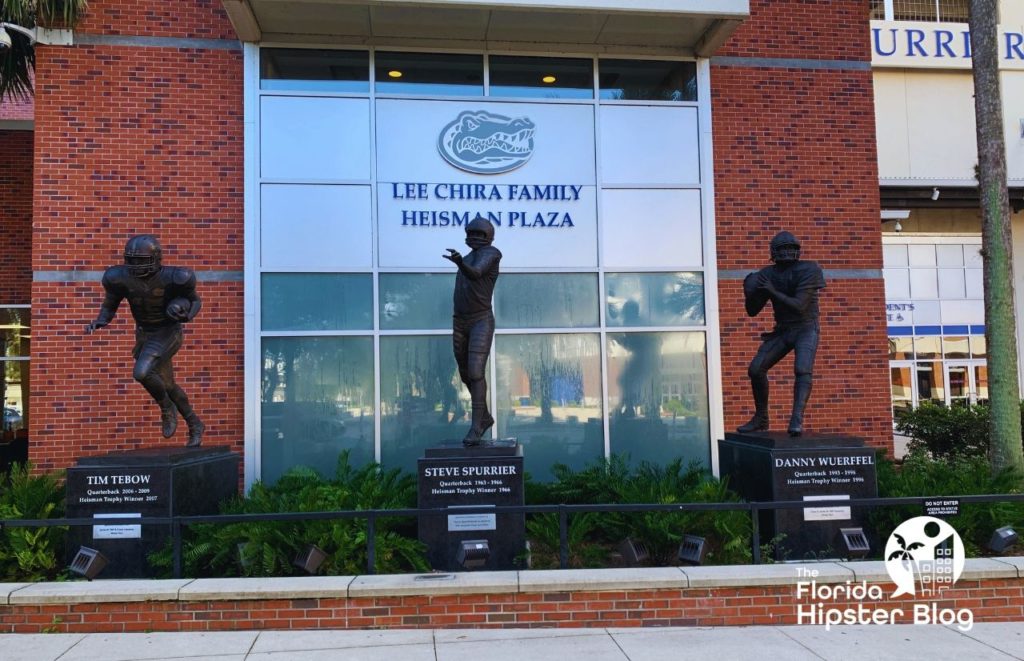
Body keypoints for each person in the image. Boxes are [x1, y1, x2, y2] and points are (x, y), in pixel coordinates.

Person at [85, 235, 205, 447]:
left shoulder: (177, 277)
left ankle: (166, 407)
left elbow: (195, 301)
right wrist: (101, 320)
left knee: (141, 372)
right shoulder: (117, 277)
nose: (136, 265)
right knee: (168, 384)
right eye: (132, 260)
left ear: (156, 258)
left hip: (167, 331)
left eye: (141, 260)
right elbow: (110, 304)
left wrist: (185, 313)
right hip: (144, 333)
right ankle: (194, 423)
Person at [737, 231, 826, 436]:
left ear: (797, 251)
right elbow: (752, 311)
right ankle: (761, 418)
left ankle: (796, 419)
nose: (786, 252)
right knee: (756, 369)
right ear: (773, 252)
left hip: (805, 327)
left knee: (802, 369)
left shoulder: (809, 269)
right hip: (783, 329)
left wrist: (771, 290)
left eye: (790, 248)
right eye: (782, 248)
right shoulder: (768, 274)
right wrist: (750, 291)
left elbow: (800, 306)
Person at [444, 216, 501, 446]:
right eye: (471, 233)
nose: (474, 238)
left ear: (488, 236)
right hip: (460, 321)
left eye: (479, 234)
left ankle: (476, 425)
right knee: (465, 373)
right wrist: (461, 261)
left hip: (480, 320)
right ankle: (485, 416)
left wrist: (459, 263)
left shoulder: (492, 253)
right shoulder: (467, 257)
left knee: (476, 371)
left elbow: (476, 273)